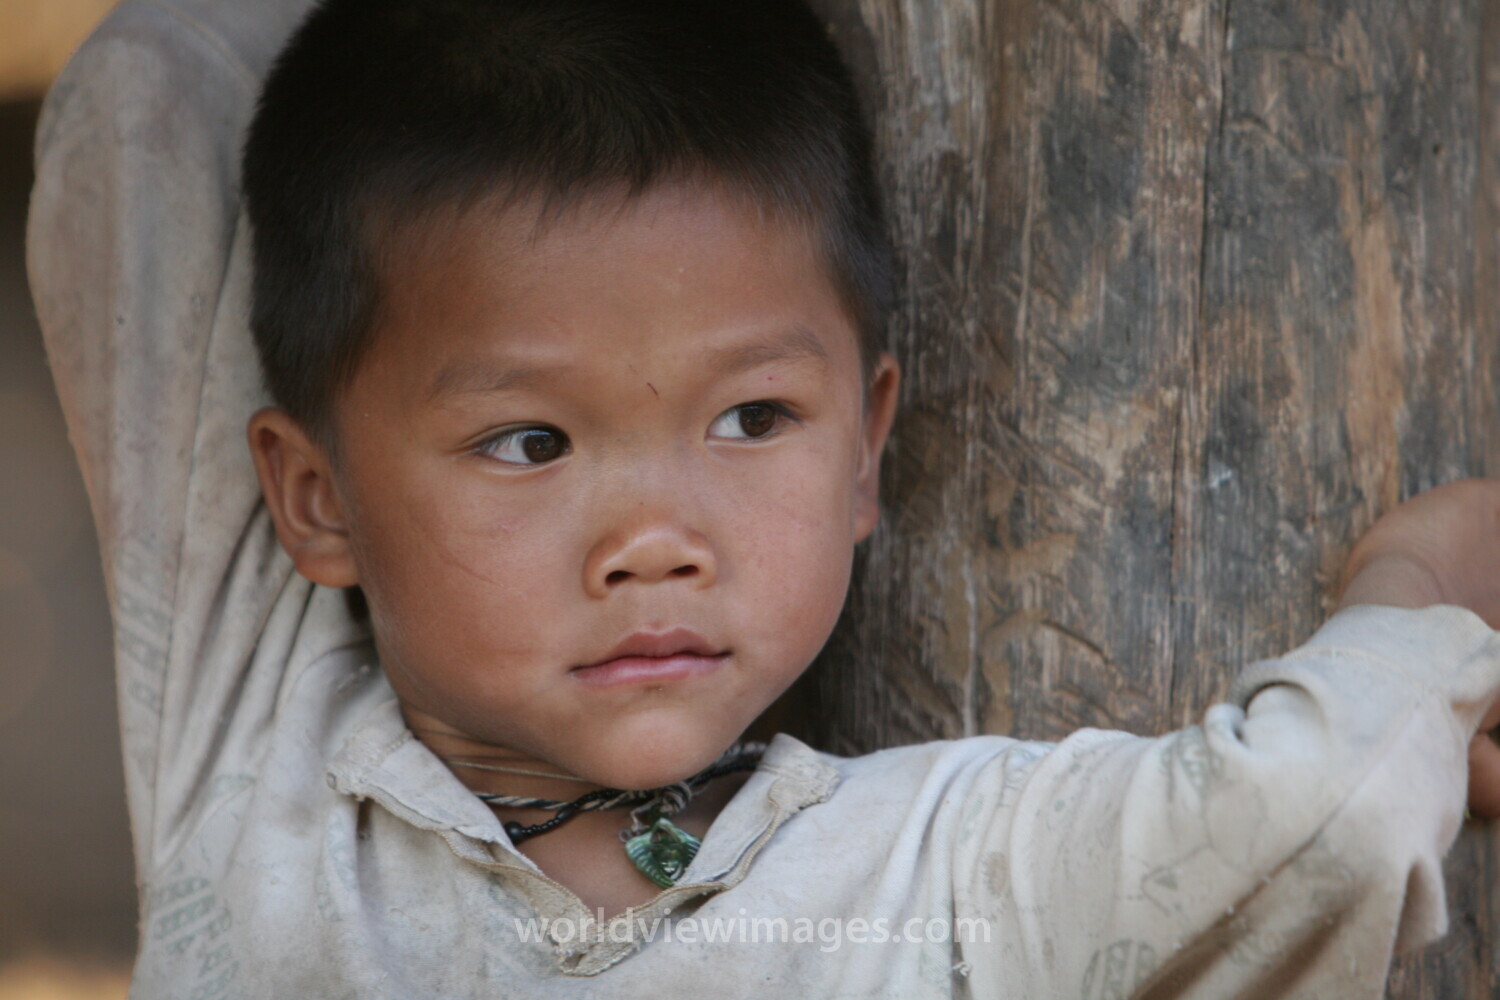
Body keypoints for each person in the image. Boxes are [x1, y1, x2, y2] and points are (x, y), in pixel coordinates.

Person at [25, 0, 1500, 995]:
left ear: (865, 452)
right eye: (529, 443)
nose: (655, 541)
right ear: (312, 497)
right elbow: (144, 96)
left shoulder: (933, 880)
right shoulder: (256, 740)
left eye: (752, 417)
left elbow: (1331, 816)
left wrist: (1419, 594)